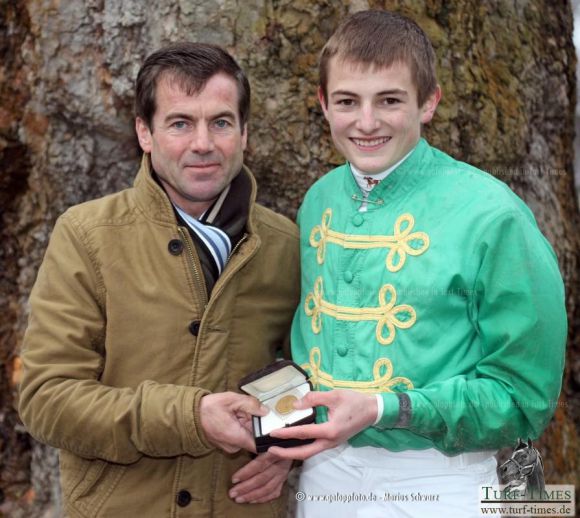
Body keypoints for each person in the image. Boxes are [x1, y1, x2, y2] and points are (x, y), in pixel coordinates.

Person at [269, 10, 567, 517]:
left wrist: (388, 407)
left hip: (443, 478)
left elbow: (522, 400)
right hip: (327, 474)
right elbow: (308, 343)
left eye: (389, 100)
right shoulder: (318, 201)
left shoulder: (493, 216)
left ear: (428, 102)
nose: (366, 122)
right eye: (347, 101)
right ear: (323, 104)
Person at [18, 42, 300, 517]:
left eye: (221, 122)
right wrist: (190, 418)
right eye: (180, 123)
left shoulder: (285, 244)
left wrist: (285, 450)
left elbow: (307, 374)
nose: (203, 143)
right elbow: (47, 398)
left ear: (246, 133)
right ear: (144, 133)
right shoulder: (88, 236)